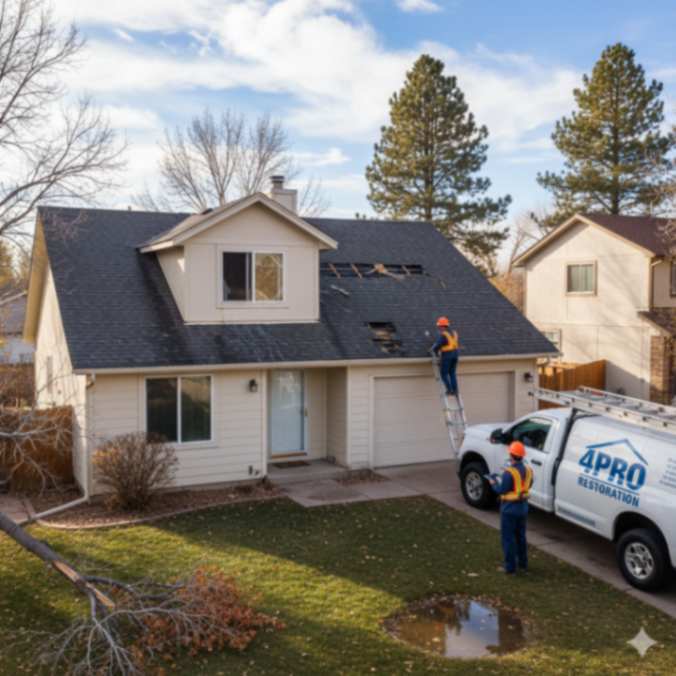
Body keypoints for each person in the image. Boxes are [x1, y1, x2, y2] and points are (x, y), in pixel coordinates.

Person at [488, 441, 533, 574]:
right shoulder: (529, 470)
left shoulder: (509, 473)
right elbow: (527, 486)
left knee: (508, 539)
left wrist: (492, 483)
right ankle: (523, 564)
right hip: (523, 508)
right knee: (521, 537)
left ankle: (510, 567)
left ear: (512, 455)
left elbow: (501, 490)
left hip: (509, 510)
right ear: (522, 456)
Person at [431, 316, 459, 395]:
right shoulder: (454, 333)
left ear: (443, 326)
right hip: (455, 355)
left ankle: (449, 390)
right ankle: (455, 390)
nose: (439, 328)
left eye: (439, 326)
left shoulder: (444, 335)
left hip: (448, 356)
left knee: (443, 373)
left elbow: (437, 345)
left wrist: (433, 350)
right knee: (452, 373)